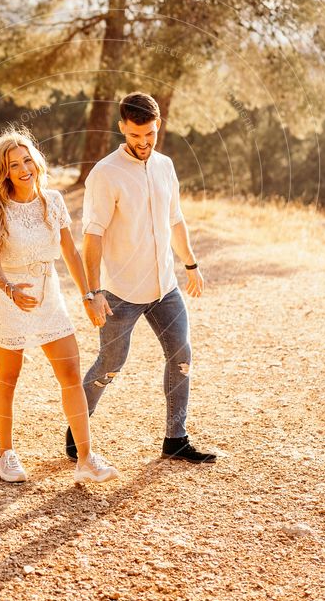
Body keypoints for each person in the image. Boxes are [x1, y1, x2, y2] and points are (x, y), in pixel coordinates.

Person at [65, 92, 217, 464]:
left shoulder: (165, 165)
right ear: (122, 129)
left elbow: (175, 219)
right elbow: (93, 236)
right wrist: (92, 292)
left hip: (164, 287)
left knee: (181, 355)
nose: (143, 143)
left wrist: (191, 265)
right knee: (111, 364)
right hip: (120, 291)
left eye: (149, 134)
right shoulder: (105, 173)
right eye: (135, 136)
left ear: (157, 126)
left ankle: (175, 438)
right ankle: (78, 428)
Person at [0, 127, 119, 484]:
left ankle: (85, 458)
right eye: (14, 164)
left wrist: (89, 295)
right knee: (8, 379)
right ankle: (4, 454)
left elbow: (70, 252)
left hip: (49, 296)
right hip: (11, 300)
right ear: (4, 172)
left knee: (70, 375)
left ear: (36, 161)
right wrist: (10, 290)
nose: (24, 168)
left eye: (27, 160)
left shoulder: (52, 201)